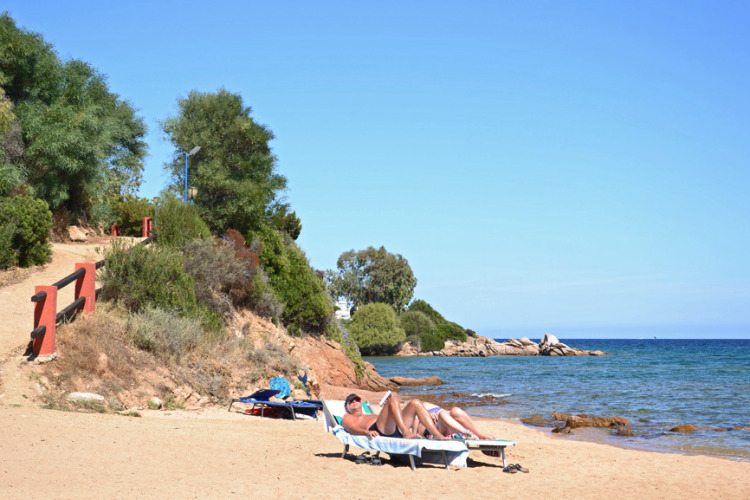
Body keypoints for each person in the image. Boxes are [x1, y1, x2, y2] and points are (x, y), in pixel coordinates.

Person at [341, 393, 448, 440]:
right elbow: (351, 428)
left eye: (357, 400)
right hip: (378, 430)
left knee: (415, 402)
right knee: (394, 400)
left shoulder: (369, 413)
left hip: (394, 427)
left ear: (361, 403)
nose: (355, 402)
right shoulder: (348, 416)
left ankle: (437, 435)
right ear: (347, 407)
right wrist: (366, 432)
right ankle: (405, 431)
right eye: (351, 402)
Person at [416, 402, 495, 440]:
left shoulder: (425, 404)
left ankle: (479, 434)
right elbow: (419, 431)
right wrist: (427, 416)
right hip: (439, 431)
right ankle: (466, 433)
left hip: (451, 422)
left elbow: (447, 412)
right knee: (442, 414)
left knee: (455, 410)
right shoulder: (417, 414)